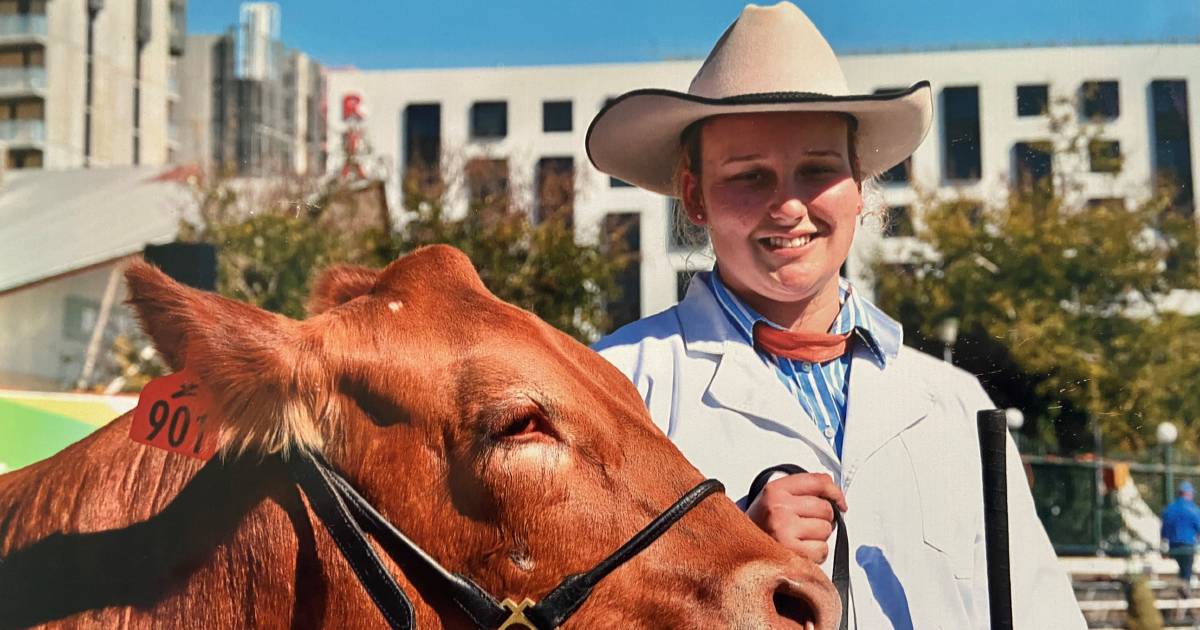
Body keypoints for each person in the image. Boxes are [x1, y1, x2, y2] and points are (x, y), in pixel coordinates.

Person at [588, 3, 1084, 628]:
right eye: (750, 176)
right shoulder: (616, 388)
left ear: (859, 183)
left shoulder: (957, 405)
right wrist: (726, 557)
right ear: (696, 196)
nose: (790, 206)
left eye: (818, 169)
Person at [1162, 481, 1200, 584]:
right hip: (1188, 545)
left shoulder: (1169, 509)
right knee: (1186, 569)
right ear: (1188, 494)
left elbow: (1164, 531)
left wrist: (1164, 546)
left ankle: (1182, 585)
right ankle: (1184, 587)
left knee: (1182, 568)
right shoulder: (1194, 510)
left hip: (1173, 546)